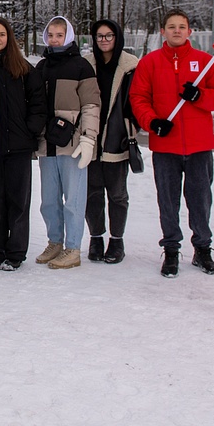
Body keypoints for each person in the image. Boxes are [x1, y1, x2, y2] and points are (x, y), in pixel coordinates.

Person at [130, 9, 214, 278]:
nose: (177, 30)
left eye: (182, 26)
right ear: (162, 31)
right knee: (168, 201)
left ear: (190, 31)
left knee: (200, 200)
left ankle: (202, 249)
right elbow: (138, 98)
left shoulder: (204, 62)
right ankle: (172, 250)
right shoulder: (150, 63)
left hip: (199, 147)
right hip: (166, 147)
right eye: (171, 26)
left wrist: (200, 95)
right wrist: (153, 122)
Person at [0, 16, 47, 271]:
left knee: (18, 200)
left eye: (1, 35)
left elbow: (38, 104)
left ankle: (16, 252)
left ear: (9, 38)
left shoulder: (24, 69)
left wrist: (30, 130)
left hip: (18, 147)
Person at [34, 16, 100, 270]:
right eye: (50, 34)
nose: (54, 39)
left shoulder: (81, 67)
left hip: (73, 144)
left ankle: (73, 247)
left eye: (59, 35)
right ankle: (55, 242)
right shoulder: (41, 67)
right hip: (47, 144)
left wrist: (89, 138)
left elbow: (92, 105)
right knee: (49, 200)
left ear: (68, 36)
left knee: (73, 199)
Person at [83, 19, 139, 264]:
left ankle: (117, 240)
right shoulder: (86, 65)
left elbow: (138, 100)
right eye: (99, 36)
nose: (104, 40)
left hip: (117, 138)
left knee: (117, 194)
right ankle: (96, 238)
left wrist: (131, 128)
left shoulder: (131, 66)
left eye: (109, 36)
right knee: (92, 192)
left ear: (117, 38)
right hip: (91, 139)